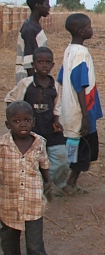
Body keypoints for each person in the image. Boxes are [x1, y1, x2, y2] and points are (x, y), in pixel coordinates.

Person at [0, 101, 56, 255]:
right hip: (8, 200)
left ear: (33, 121)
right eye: (16, 121)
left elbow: (44, 163)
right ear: (8, 124)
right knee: (8, 236)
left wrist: (48, 181)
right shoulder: (2, 145)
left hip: (33, 200)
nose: (22, 125)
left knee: (35, 245)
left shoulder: (39, 142)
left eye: (26, 120)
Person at [5, 47, 69, 197]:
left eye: (48, 62)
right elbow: (11, 99)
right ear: (33, 64)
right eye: (40, 62)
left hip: (50, 129)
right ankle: (35, 189)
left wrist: (56, 120)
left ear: (53, 65)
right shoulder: (26, 84)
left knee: (62, 160)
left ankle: (52, 183)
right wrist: (16, 120)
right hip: (31, 132)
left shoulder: (56, 86)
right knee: (29, 162)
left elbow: (58, 105)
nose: (44, 66)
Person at [57, 14, 103, 193]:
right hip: (81, 109)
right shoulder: (81, 53)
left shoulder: (69, 50)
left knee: (75, 146)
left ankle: (68, 183)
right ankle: (70, 183)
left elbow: (61, 77)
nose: (92, 29)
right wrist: (85, 115)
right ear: (81, 31)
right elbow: (80, 83)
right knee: (83, 148)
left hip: (71, 107)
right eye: (90, 27)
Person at [16, 0, 50, 83]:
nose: (49, 7)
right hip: (29, 79)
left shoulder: (33, 26)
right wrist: (37, 84)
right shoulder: (30, 29)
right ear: (38, 6)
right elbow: (29, 61)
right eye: (47, 4)